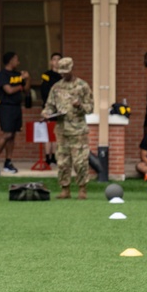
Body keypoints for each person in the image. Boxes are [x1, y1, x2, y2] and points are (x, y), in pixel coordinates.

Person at [41, 57, 94, 199]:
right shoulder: (56, 87)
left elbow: (90, 108)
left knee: (80, 161)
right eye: (61, 72)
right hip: (61, 130)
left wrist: (80, 106)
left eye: (66, 72)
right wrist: (46, 113)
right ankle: (65, 189)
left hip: (78, 130)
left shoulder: (82, 86)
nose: (63, 75)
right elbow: (49, 106)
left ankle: (82, 189)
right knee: (63, 161)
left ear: (71, 69)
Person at [0, 52, 30, 176]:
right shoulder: (2, 74)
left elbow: (27, 89)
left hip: (16, 107)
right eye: (16, 59)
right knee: (7, 133)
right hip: (5, 107)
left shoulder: (18, 74)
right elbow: (9, 90)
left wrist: (28, 79)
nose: (18, 62)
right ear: (10, 60)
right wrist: (21, 86)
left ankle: (8, 162)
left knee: (13, 135)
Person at [39, 52, 63, 166]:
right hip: (49, 108)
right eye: (54, 59)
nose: (56, 61)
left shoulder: (63, 76)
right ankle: (47, 156)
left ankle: (54, 156)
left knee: (56, 133)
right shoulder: (46, 75)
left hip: (60, 109)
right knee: (48, 133)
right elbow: (45, 92)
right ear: (51, 62)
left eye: (59, 59)